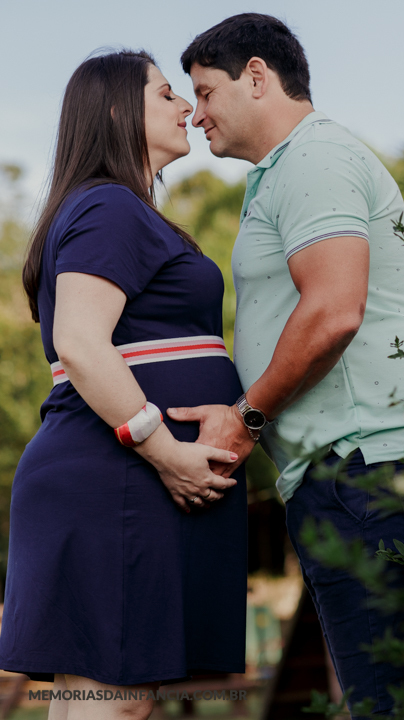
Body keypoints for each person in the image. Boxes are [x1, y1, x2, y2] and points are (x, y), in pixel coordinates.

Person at [171, 14, 404, 716]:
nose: (196, 115)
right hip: (345, 479)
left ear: (257, 75)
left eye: (205, 92)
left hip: (365, 476)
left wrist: (247, 417)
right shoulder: (284, 173)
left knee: (393, 703)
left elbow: (333, 311)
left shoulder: (314, 159)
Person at [0, 51, 247, 719]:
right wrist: (167, 452)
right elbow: (80, 344)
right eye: (168, 94)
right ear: (116, 112)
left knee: (101, 701)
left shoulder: (120, 210)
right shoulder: (110, 206)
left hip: (123, 480)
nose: (186, 109)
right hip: (120, 480)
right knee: (117, 704)